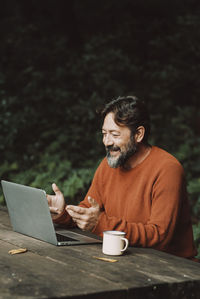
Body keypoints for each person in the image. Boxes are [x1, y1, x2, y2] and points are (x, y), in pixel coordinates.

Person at [47, 96, 198, 261]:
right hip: (125, 261)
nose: (106, 142)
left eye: (114, 134)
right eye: (104, 134)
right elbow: (88, 214)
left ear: (138, 134)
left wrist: (101, 224)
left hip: (172, 269)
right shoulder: (107, 165)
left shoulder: (167, 169)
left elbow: (159, 236)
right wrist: (63, 212)